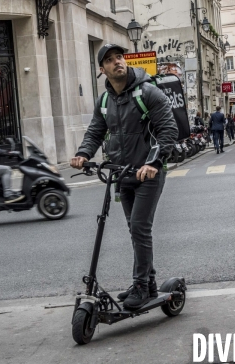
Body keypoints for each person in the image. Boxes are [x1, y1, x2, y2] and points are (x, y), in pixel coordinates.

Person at [71, 43, 178, 310]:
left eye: (119, 57)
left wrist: (154, 162)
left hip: (148, 173)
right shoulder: (105, 101)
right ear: (102, 70)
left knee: (140, 228)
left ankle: (141, 286)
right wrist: (83, 154)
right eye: (109, 60)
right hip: (122, 174)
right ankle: (148, 283)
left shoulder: (148, 93)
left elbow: (168, 129)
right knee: (135, 230)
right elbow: (95, 130)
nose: (117, 61)